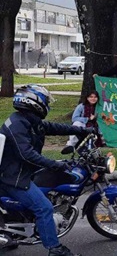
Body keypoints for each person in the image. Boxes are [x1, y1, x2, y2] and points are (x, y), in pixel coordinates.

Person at [0, 85, 93, 256]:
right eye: (46, 101)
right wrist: (55, 164)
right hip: (14, 178)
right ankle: (55, 249)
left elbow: (54, 127)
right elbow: (27, 154)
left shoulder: (28, 120)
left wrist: (82, 130)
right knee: (44, 208)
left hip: (23, 172)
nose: (47, 104)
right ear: (35, 102)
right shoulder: (16, 125)